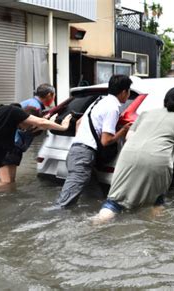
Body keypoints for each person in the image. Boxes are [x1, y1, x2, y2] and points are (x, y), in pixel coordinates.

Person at [93, 88, 174, 222]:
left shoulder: (145, 113)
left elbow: (128, 137)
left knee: (115, 201)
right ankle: (155, 233)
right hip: (158, 159)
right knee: (157, 201)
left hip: (128, 156)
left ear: (164, 102)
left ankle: (97, 222)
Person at [55, 75, 133, 208]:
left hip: (75, 151)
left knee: (95, 197)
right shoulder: (113, 108)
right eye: (129, 91)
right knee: (64, 204)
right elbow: (106, 141)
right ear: (124, 91)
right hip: (83, 157)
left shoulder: (98, 101)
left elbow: (79, 122)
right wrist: (123, 130)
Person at [0, 83, 56, 184]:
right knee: (7, 183)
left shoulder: (29, 103)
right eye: (53, 95)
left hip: (2, 142)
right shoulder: (35, 107)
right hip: (12, 145)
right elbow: (31, 128)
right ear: (49, 95)